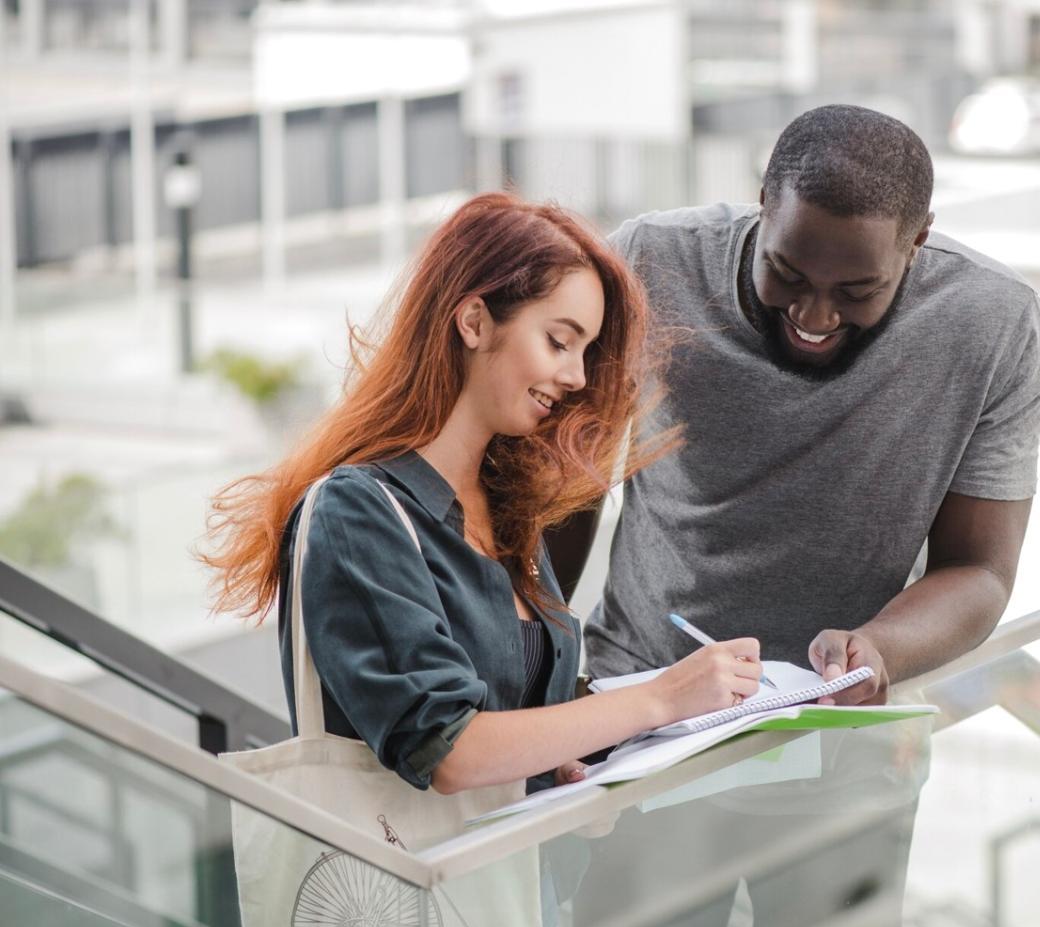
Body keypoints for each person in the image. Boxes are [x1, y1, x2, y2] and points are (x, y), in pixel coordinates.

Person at [562, 105, 1040, 927]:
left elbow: (980, 569)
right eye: (786, 272)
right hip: (644, 738)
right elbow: (565, 491)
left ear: (919, 242)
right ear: (758, 204)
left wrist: (881, 650)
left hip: (841, 759)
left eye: (856, 289)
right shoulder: (649, 264)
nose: (814, 314)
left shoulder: (991, 324)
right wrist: (540, 679)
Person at [200, 190, 765, 800]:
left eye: (584, 351)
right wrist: (660, 699)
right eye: (558, 340)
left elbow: (510, 724)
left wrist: (561, 764)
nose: (576, 376)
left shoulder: (509, 513)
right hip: (405, 887)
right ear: (473, 321)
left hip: (510, 880)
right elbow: (450, 750)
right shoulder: (358, 510)